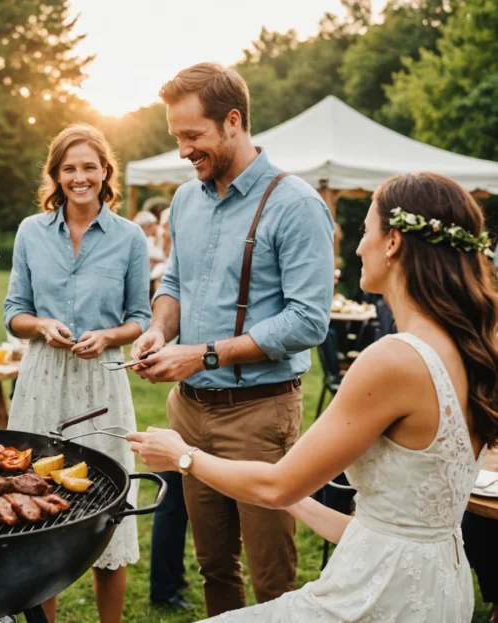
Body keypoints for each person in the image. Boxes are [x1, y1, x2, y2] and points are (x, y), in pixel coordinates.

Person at [130, 171, 498, 621]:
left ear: (394, 242)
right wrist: (294, 500)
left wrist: (182, 454)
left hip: (378, 597)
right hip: (440, 586)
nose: (358, 246)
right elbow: (391, 530)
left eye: (365, 231)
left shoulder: (395, 360)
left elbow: (277, 484)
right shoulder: (472, 346)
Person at [129, 62, 335, 616]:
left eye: (192, 137)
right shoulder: (185, 200)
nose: (182, 152)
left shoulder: (296, 205)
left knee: (272, 576)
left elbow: (309, 320)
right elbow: (173, 281)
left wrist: (202, 354)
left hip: (259, 415)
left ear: (233, 122)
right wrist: (157, 329)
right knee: (215, 565)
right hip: (190, 413)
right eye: (176, 138)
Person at [3, 123, 151, 623]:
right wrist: (42, 325)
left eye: (90, 166)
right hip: (42, 380)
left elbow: (141, 318)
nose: (80, 176)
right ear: (56, 175)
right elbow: (13, 312)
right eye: (70, 168)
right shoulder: (30, 232)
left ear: (105, 172)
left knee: (106, 509)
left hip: (102, 382)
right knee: (38, 505)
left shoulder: (129, 237)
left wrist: (109, 336)